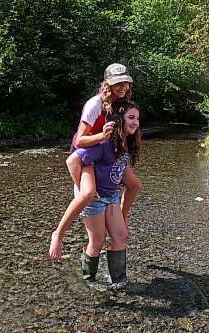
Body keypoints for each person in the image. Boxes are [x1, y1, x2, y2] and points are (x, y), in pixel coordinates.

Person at [50, 101, 142, 289]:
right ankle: (88, 279)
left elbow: (123, 174)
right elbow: (72, 160)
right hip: (96, 200)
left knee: (121, 236)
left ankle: (119, 281)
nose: (135, 122)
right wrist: (83, 189)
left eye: (138, 118)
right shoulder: (102, 144)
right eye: (131, 118)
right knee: (97, 241)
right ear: (118, 121)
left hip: (112, 196)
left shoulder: (125, 142)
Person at [65, 63, 142, 229]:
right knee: (87, 192)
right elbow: (79, 141)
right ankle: (59, 233)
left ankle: (121, 219)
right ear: (108, 83)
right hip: (85, 154)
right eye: (118, 83)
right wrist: (101, 136)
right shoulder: (95, 104)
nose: (123, 87)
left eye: (126, 83)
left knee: (134, 185)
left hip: (107, 151)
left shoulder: (121, 103)